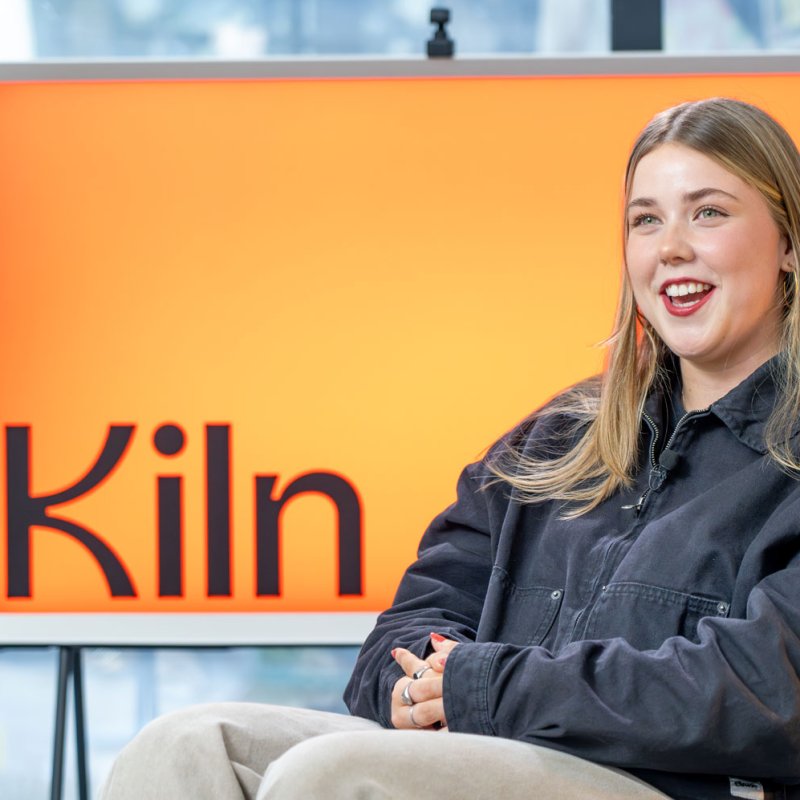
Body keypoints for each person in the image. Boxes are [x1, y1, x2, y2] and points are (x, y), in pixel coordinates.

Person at [101, 97, 800, 800]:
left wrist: (486, 686)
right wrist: (409, 689)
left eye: (708, 212)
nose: (670, 246)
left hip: (682, 788)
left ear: (789, 241)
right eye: (646, 220)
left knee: (335, 779)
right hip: (493, 757)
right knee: (182, 748)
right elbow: (413, 620)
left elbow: (767, 690)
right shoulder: (560, 437)